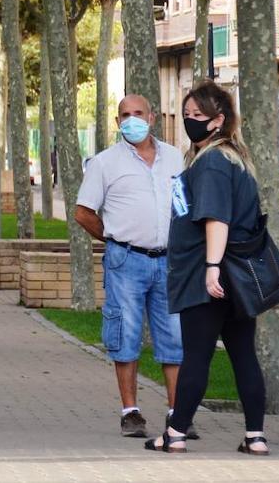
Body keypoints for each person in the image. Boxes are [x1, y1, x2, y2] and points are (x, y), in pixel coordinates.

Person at [148, 80, 268, 455]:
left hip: (210, 275)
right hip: (235, 276)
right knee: (243, 353)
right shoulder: (233, 158)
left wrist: (211, 267)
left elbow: (217, 219)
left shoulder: (214, 162)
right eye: (186, 115)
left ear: (218, 120)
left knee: (197, 355)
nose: (190, 122)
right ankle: (255, 437)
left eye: (198, 116)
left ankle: (176, 433)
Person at [76, 95, 188, 439]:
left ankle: (177, 414)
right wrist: (112, 239)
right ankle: (131, 412)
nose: (131, 120)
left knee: (174, 335)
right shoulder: (104, 163)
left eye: (138, 113)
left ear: (151, 117)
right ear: (117, 121)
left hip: (169, 260)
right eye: (125, 115)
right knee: (125, 334)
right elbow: (83, 212)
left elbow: (185, 205)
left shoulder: (174, 157)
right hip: (125, 260)